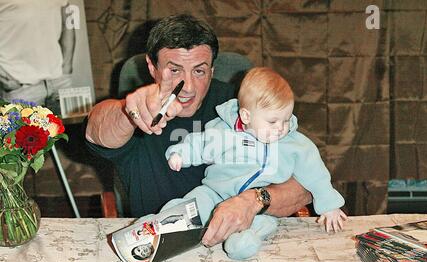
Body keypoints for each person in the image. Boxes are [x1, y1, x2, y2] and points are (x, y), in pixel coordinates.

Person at [85, 14, 313, 249]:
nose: (189, 86)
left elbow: (306, 184)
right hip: (160, 248)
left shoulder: (245, 108)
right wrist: (128, 112)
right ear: (152, 67)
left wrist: (255, 201)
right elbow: (95, 129)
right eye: (174, 70)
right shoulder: (136, 109)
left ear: (213, 70)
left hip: (239, 243)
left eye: (199, 71)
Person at [163, 67, 347, 260]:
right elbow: (199, 143)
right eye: (273, 122)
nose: (281, 129)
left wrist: (329, 206)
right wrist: (180, 154)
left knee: (265, 224)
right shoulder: (225, 132)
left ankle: (243, 242)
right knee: (190, 206)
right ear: (246, 116)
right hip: (214, 193)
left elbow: (315, 173)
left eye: (286, 120)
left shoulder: (294, 144)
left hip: (259, 210)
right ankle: (160, 225)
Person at [0, 0, 76, 115]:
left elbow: (67, 22)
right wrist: (6, 79)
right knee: (24, 133)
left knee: (70, 132)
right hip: (21, 88)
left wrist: (67, 67)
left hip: (59, 82)